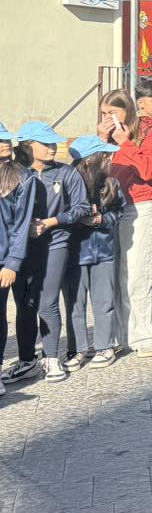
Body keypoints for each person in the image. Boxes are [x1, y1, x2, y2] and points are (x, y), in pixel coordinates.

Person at [9, 123, 89, 383]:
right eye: (45, 144)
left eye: (54, 143)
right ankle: (26, 360)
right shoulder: (16, 173)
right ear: (27, 145)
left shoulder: (66, 173)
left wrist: (52, 222)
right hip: (21, 246)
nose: (53, 148)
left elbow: (81, 207)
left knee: (48, 301)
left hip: (56, 241)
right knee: (24, 304)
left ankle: (52, 357)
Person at [99, 88, 152, 358]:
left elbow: (149, 170)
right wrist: (101, 141)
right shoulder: (106, 137)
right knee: (114, 275)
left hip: (140, 207)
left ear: (127, 112)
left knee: (138, 273)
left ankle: (144, 336)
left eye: (112, 113)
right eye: (103, 114)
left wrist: (126, 143)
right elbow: (90, 169)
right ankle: (120, 334)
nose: (108, 119)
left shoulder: (149, 132)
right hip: (110, 209)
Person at [65, 136, 123, 369]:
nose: (109, 158)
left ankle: (105, 346)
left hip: (104, 250)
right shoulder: (68, 183)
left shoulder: (112, 184)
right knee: (74, 304)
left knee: (104, 301)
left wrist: (102, 219)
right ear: (90, 160)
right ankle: (77, 349)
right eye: (104, 155)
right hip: (74, 252)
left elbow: (120, 211)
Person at [0, 131, 36, 395]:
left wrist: (12, 263)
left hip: (7, 259)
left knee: (16, 310)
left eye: (5, 139)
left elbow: (22, 224)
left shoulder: (21, 176)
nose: (4, 144)